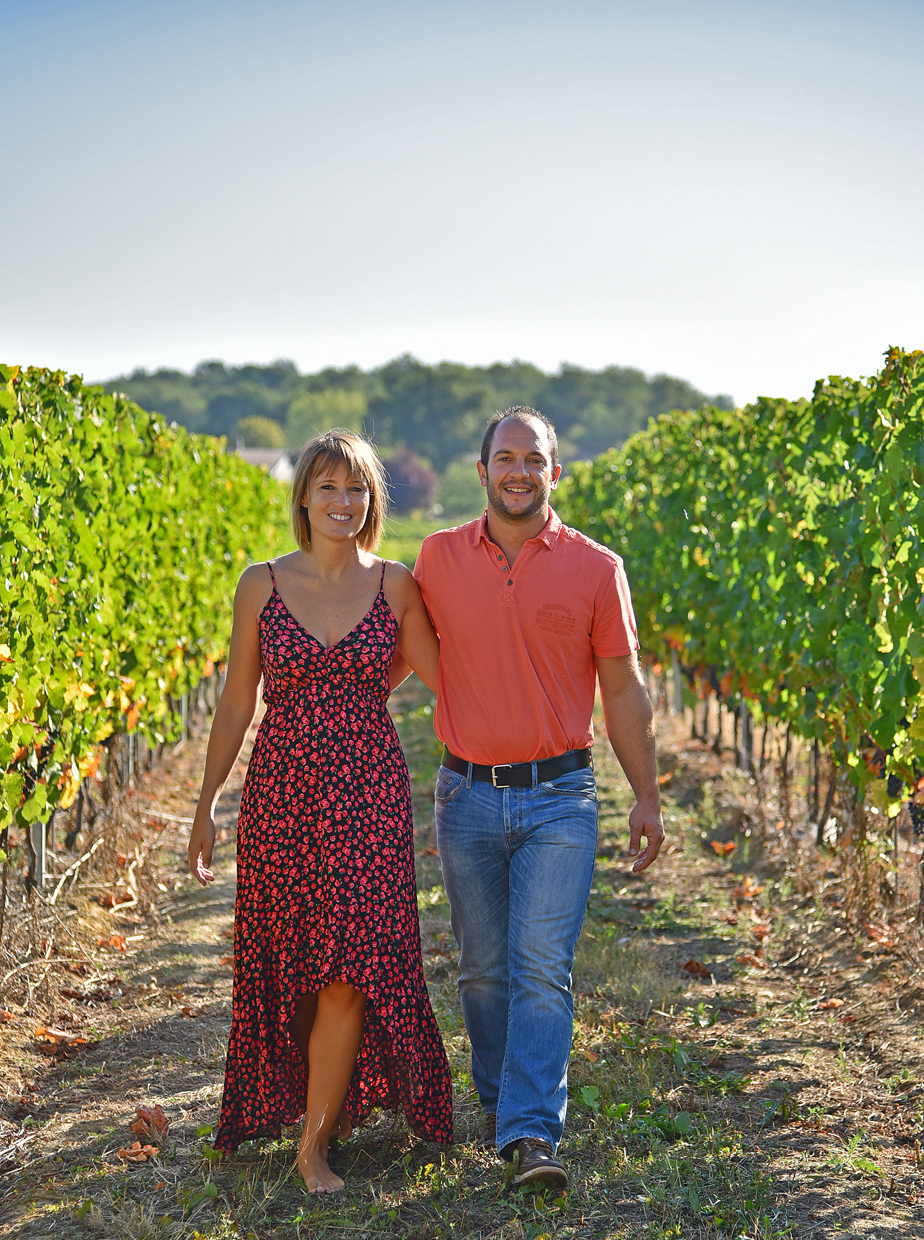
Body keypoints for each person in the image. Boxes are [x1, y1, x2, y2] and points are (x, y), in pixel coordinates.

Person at [188, 430, 453, 1193]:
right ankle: (321, 1107)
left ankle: (313, 1148)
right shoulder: (261, 583)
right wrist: (206, 805)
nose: (344, 502)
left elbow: (446, 676)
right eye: (329, 488)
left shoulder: (396, 585)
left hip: (370, 794)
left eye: (358, 489)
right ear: (302, 495)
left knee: (349, 968)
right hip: (281, 794)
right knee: (296, 964)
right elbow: (238, 701)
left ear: (373, 501)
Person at [413, 407, 664, 1194]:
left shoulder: (597, 568)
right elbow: (388, 651)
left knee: (539, 968)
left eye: (535, 459)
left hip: (562, 797)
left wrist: (647, 798)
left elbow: (623, 690)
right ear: (481, 470)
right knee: (483, 971)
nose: (519, 471)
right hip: (468, 795)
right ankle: (499, 1105)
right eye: (505, 457)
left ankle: (530, 1133)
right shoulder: (436, 558)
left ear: (556, 472)